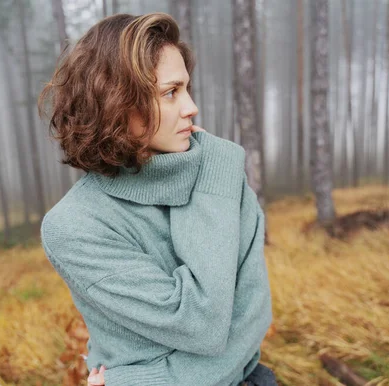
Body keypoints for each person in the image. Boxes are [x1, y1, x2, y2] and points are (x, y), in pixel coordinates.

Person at [38, 12, 276, 386]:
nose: (191, 107)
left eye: (187, 88)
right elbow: (203, 325)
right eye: (171, 92)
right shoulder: (75, 225)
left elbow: (253, 317)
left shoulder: (220, 173)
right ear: (116, 102)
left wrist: (136, 380)